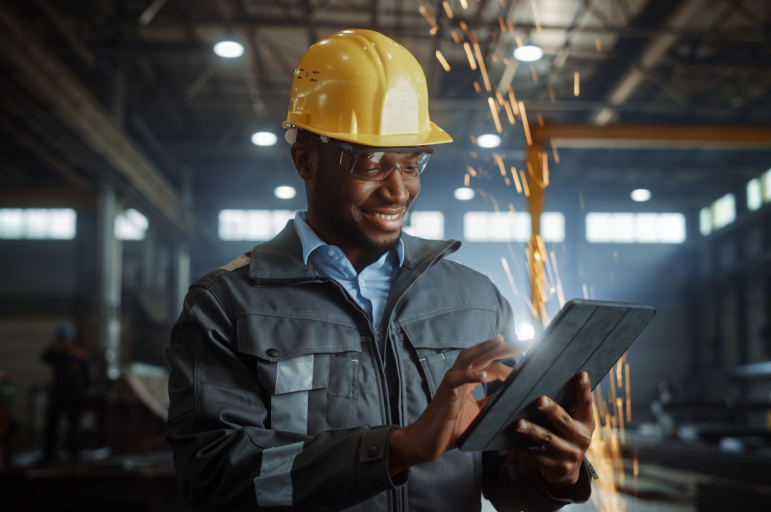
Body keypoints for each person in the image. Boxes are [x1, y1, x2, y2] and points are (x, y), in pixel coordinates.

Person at [166, 29, 595, 511]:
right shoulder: (229, 305)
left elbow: (500, 474)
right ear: (305, 159)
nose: (398, 192)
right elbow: (215, 481)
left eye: (411, 165)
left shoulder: (475, 300)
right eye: (370, 163)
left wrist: (556, 473)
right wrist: (396, 449)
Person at [41, 324, 89, 462]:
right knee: (52, 423)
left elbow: (87, 377)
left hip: (75, 396)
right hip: (58, 394)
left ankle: (75, 453)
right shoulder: (56, 355)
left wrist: (84, 392)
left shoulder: (80, 355)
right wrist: (55, 347)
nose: (65, 342)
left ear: (72, 340)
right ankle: (49, 453)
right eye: (62, 339)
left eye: (67, 339)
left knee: (74, 425)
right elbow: (44, 357)